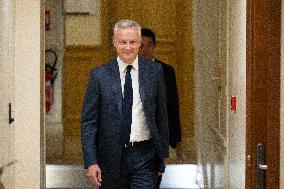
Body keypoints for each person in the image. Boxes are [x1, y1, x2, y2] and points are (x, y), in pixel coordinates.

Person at [81, 20, 169, 189]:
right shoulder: (99, 76)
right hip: (110, 156)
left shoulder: (155, 72)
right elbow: (89, 122)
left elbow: (161, 115)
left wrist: (162, 154)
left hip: (145, 155)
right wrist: (91, 161)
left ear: (139, 43)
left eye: (133, 42)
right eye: (123, 42)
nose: (128, 47)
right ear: (115, 42)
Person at [139, 28, 183, 188]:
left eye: (149, 45)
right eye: (141, 46)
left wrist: (177, 139)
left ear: (154, 46)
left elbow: (173, 105)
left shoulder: (166, 72)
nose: (145, 50)